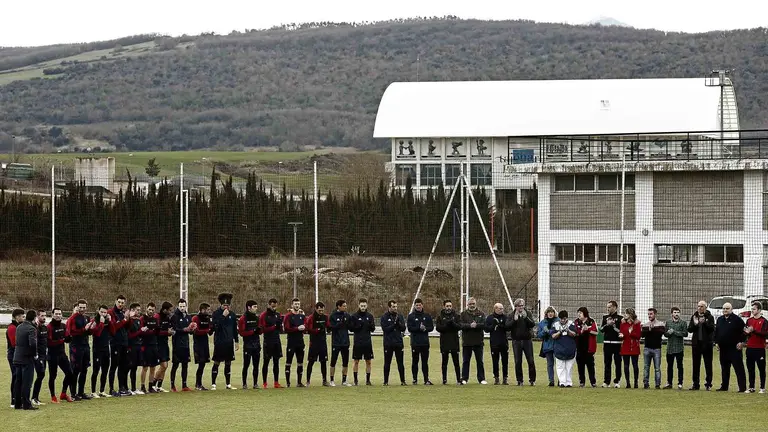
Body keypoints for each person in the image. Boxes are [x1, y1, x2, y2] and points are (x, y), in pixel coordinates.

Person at [714, 302, 747, 392]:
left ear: (731, 309)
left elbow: (745, 332)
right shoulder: (720, 319)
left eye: (727, 308)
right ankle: (724, 386)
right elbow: (716, 332)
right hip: (723, 349)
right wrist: (716, 342)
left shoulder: (737, 320)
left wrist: (742, 343)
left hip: (734, 348)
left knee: (738, 368)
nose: (725, 310)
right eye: (724, 308)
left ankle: (742, 387)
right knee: (724, 369)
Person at [67, 299, 95, 400]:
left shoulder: (86, 318)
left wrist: (92, 329)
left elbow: (88, 333)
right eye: (81, 307)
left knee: (84, 369)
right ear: (77, 307)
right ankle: (73, 393)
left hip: (85, 346)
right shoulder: (73, 318)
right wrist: (85, 329)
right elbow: (72, 332)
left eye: (84, 307)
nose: (82, 309)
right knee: (75, 369)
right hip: (76, 346)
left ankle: (81, 392)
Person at [211, 293, 239, 390]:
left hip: (229, 342)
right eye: (224, 305)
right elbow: (215, 327)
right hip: (219, 342)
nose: (226, 307)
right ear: (221, 305)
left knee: (228, 363)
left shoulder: (232, 315)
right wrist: (223, 316)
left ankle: (228, 384)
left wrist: (236, 341)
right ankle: (213, 384)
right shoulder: (216, 314)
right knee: (217, 362)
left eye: (227, 305)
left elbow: (234, 329)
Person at [47, 307, 75, 403]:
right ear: (52, 315)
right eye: (56, 314)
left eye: (59, 314)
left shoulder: (63, 326)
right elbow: (50, 342)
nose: (58, 315)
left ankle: (63, 393)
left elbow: (66, 337)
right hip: (52, 355)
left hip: (62, 354)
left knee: (70, 373)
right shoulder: (49, 327)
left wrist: (69, 338)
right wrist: (62, 340)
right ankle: (53, 396)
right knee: (53, 376)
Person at [13, 310, 38, 410]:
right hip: (27, 358)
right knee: (27, 382)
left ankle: (17, 403)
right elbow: (32, 343)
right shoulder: (31, 328)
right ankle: (27, 404)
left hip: (17, 356)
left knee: (18, 381)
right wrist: (34, 354)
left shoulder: (19, 327)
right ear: (34, 318)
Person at [687, 300, 715, 391]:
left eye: (702, 306)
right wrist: (695, 324)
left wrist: (705, 323)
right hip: (696, 344)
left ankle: (708, 384)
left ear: (705, 307)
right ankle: (695, 384)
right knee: (695, 364)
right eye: (698, 306)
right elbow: (690, 329)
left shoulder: (710, 317)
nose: (699, 308)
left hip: (707, 344)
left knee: (708, 364)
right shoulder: (694, 316)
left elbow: (711, 329)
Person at [508, 298, 536, 386]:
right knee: (518, 361)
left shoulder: (528, 313)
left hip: (527, 340)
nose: (521, 307)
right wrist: (514, 320)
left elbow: (532, 324)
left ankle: (532, 380)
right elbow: (507, 327)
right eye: (519, 306)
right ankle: (519, 380)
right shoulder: (511, 315)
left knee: (530, 360)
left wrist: (526, 318)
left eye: (522, 305)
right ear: (515, 306)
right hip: (516, 341)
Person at [108, 295, 131, 397]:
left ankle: (122, 387)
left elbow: (127, 328)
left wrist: (128, 318)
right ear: (115, 301)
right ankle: (111, 389)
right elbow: (114, 327)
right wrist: (125, 319)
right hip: (115, 343)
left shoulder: (123, 313)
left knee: (123, 366)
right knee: (114, 366)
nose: (121, 304)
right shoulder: (111, 313)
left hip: (124, 343)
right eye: (119, 302)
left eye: (122, 303)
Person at [460, 297, 487, 385]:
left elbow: (484, 324)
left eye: (473, 304)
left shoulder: (481, 314)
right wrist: (469, 326)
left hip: (478, 341)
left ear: (476, 304)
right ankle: (464, 378)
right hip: (467, 341)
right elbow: (460, 325)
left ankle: (481, 379)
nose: (472, 305)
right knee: (466, 361)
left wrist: (477, 325)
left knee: (480, 361)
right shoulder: (463, 314)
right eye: (470, 304)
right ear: (467, 304)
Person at [407, 298, 434, 385]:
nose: (418, 306)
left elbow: (431, 327)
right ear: (415, 306)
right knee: (415, 361)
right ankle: (415, 379)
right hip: (415, 343)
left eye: (420, 305)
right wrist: (418, 328)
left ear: (422, 305)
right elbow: (410, 328)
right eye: (417, 305)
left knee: (425, 362)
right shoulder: (411, 316)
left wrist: (425, 328)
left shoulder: (427, 315)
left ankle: (426, 379)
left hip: (425, 343)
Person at [349, 298, 375, 386]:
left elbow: (373, 329)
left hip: (367, 342)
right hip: (358, 343)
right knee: (356, 361)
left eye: (364, 306)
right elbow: (351, 329)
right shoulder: (354, 316)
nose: (363, 307)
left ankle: (368, 380)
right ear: (359, 305)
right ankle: (355, 380)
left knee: (368, 361)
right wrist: (358, 326)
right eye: (361, 306)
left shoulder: (370, 316)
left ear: (367, 305)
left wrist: (370, 326)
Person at [170, 299, 194, 392]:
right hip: (177, 345)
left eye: (184, 306)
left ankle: (184, 385)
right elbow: (175, 329)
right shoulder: (174, 317)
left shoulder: (188, 317)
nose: (182, 308)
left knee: (185, 365)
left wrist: (192, 329)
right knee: (175, 365)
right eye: (181, 306)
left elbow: (190, 332)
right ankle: (172, 385)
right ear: (178, 306)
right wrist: (185, 329)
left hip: (186, 345)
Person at [381, 300, 407, 386]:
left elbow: (403, 328)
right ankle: (385, 381)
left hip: (398, 343)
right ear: (389, 307)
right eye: (393, 307)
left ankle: (403, 381)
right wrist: (393, 325)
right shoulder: (384, 317)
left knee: (400, 363)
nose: (395, 308)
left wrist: (398, 323)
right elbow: (385, 329)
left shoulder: (400, 316)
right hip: (388, 343)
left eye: (396, 306)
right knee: (387, 363)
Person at [435, 299, 462, 385]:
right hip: (444, 342)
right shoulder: (440, 316)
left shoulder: (456, 316)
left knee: (456, 362)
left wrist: (453, 323)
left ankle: (458, 379)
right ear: (444, 306)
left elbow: (459, 326)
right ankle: (444, 379)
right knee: (444, 362)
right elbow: (438, 328)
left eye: (450, 306)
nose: (449, 308)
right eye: (447, 306)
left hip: (454, 342)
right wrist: (446, 325)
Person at [305, 302, 330, 387]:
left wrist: (329, 328)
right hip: (314, 342)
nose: (321, 311)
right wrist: (318, 330)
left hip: (323, 342)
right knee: (311, 362)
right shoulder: (311, 317)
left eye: (322, 310)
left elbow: (328, 326)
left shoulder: (325, 317)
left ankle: (324, 380)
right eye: (319, 310)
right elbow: (308, 329)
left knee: (323, 362)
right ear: (316, 309)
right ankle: (308, 381)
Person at [259, 298, 283, 389]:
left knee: (276, 362)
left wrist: (279, 326)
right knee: (266, 362)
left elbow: (280, 329)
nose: (273, 307)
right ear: (269, 305)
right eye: (272, 306)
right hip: (268, 341)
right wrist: (274, 327)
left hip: (277, 341)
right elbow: (263, 329)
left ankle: (276, 382)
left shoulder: (278, 315)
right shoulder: (264, 315)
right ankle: (265, 383)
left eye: (275, 306)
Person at [744, 301, 768, 394]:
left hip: (759, 348)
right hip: (750, 348)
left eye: (754, 309)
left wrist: (753, 330)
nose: (752, 311)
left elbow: (764, 334)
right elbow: (746, 333)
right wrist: (746, 332)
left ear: (759, 310)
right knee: (750, 368)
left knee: (761, 368)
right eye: (752, 309)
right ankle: (751, 387)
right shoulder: (749, 320)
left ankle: (762, 387)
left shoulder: (764, 321)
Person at [282, 298, 306, 388]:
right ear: (292, 305)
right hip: (291, 342)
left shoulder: (302, 316)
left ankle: (299, 382)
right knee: (289, 362)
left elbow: (305, 326)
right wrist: (297, 328)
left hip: (300, 342)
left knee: (300, 362)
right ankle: (288, 383)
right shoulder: (288, 316)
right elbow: (286, 329)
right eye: (295, 304)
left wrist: (304, 328)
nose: (297, 306)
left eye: (298, 304)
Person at [89, 305, 111, 398]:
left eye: (105, 312)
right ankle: (93, 391)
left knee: (105, 370)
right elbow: (96, 334)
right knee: (96, 370)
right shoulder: (94, 321)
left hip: (106, 348)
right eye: (101, 312)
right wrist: (101, 323)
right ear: (98, 311)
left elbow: (113, 331)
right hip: (97, 349)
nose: (103, 314)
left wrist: (110, 322)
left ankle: (102, 391)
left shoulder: (107, 321)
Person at [550, 310, 577, 387]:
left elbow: (574, 334)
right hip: (559, 349)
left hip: (570, 349)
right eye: (561, 319)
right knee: (560, 367)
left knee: (569, 367)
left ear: (567, 318)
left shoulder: (571, 324)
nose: (562, 320)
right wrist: (559, 332)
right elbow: (553, 336)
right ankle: (562, 382)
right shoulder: (555, 325)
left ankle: (568, 382)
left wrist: (568, 330)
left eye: (564, 319)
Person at [152, 301, 175, 392]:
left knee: (166, 365)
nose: (171, 312)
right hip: (158, 344)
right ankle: (153, 384)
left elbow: (167, 331)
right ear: (164, 310)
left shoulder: (167, 318)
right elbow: (156, 332)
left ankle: (159, 386)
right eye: (169, 310)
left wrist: (170, 332)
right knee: (163, 365)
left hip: (165, 343)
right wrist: (167, 332)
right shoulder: (157, 317)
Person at [238, 300, 261, 389]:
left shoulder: (256, 318)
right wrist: (253, 331)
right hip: (248, 345)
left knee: (256, 365)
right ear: (249, 307)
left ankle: (255, 383)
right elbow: (242, 332)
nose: (256, 308)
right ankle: (244, 384)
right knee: (246, 365)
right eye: (254, 307)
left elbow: (260, 330)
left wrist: (259, 330)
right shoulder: (243, 318)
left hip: (256, 344)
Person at [485, 303, 509, 385]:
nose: (501, 310)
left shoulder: (505, 317)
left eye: (502, 308)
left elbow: (508, 328)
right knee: (495, 361)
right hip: (494, 343)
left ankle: (505, 378)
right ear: (495, 309)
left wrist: (500, 325)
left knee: (505, 361)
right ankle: (496, 378)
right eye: (500, 308)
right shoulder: (490, 318)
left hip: (504, 343)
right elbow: (486, 329)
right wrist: (493, 325)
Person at [600, 300, 623, 388]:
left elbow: (621, 331)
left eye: (609, 307)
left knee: (618, 363)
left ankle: (617, 381)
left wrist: (614, 327)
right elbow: (601, 330)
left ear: (615, 307)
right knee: (607, 363)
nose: (608, 309)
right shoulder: (605, 317)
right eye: (607, 307)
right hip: (607, 343)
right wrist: (607, 325)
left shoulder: (620, 318)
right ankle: (606, 381)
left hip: (617, 344)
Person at [139, 302, 160, 394]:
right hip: (145, 345)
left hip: (154, 345)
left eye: (153, 310)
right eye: (150, 309)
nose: (151, 311)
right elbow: (141, 332)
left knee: (153, 367)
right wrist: (149, 331)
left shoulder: (155, 319)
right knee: (145, 367)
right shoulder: (142, 319)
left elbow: (157, 332)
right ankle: (142, 386)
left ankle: (150, 386)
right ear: (146, 309)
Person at [329, 299, 352, 387]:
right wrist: (339, 324)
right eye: (344, 306)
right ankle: (331, 380)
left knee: (345, 361)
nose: (345, 307)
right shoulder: (333, 316)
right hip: (336, 342)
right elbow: (331, 328)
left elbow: (350, 327)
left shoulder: (347, 315)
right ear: (339, 306)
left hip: (345, 342)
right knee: (333, 361)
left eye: (346, 306)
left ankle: (344, 380)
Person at [641, 307, 665, 389]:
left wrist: (652, 329)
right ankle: (646, 383)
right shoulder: (645, 325)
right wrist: (649, 330)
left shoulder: (660, 324)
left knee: (657, 368)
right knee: (646, 367)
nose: (649, 315)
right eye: (648, 314)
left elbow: (662, 333)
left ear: (655, 314)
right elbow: (642, 335)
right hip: (647, 348)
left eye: (651, 314)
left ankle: (657, 384)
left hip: (657, 349)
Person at [664, 306, 687, 390]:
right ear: (672, 314)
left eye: (678, 312)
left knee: (679, 366)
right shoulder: (668, 322)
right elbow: (665, 334)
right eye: (675, 312)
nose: (676, 314)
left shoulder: (683, 323)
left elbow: (685, 334)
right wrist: (668, 333)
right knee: (669, 366)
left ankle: (680, 383)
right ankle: (669, 382)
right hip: (670, 348)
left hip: (679, 348)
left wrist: (675, 332)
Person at [574, 307, 598, 388]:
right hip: (579, 347)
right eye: (578, 313)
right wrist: (581, 331)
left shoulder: (591, 321)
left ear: (585, 313)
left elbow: (596, 332)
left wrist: (588, 329)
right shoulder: (576, 322)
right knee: (580, 365)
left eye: (580, 313)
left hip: (589, 347)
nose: (579, 314)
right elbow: (576, 332)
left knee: (590, 365)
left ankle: (593, 382)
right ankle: (582, 382)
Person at [192, 302, 213, 391]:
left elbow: (209, 332)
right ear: (202, 310)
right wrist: (207, 330)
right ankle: (198, 384)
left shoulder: (207, 318)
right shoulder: (195, 318)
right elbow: (196, 331)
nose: (209, 311)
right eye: (207, 310)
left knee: (203, 363)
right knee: (201, 363)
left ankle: (199, 383)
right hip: (198, 344)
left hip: (205, 343)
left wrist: (212, 329)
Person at [619, 308, 641, 389]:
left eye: (627, 313)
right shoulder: (623, 323)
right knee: (626, 365)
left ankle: (636, 382)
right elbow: (621, 333)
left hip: (634, 347)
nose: (625, 315)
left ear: (631, 315)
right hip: (625, 346)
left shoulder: (637, 323)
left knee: (635, 365)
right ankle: (628, 383)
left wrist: (631, 332)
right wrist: (621, 336)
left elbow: (638, 336)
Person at [7, 309, 24, 408]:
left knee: (19, 376)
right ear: (16, 317)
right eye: (22, 316)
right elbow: (14, 343)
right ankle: (13, 399)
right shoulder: (12, 328)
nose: (23, 318)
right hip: (13, 355)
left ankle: (18, 398)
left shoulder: (18, 326)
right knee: (16, 376)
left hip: (18, 354)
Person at [538, 306, 558, 387]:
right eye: (549, 312)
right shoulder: (542, 323)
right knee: (550, 364)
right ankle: (551, 381)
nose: (550, 313)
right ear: (546, 313)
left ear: (554, 313)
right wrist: (544, 331)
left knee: (559, 364)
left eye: (552, 312)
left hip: (557, 345)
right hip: (547, 346)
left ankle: (561, 380)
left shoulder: (558, 321)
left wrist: (552, 332)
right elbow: (539, 335)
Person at [31, 310, 48, 406]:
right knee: (40, 375)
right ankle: (33, 397)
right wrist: (36, 355)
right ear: (37, 317)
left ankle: (36, 397)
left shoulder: (45, 328)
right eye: (42, 316)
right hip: (38, 356)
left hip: (44, 355)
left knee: (41, 375)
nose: (44, 317)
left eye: (45, 315)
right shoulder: (35, 328)